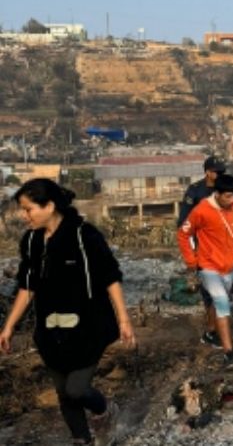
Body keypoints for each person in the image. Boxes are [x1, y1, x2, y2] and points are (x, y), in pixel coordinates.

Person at [0, 178, 136, 445]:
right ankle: (81, 440)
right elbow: (28, 287)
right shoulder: (31, 242)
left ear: (49, 206)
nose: (23, 215)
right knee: (63, 392)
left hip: (89, 327)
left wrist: (123, 319)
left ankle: (105, 410)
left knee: (77, 389)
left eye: (28, 209)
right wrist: (8, 327)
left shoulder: (84, 236)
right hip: (51, 330)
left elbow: (110, 276)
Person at [178, 174, 233, 371]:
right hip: (208, 266)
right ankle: (229, 354)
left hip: (229, 266)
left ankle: (209, 332)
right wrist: (191, 261)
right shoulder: (201, 210)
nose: (231, 200)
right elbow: (183, 235)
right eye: (227, 196)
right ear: (216, 194)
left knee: (218, 302)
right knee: (222, 303)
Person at [177, 156, 226, 226]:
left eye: (222, 172)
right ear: (208, 172)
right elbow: (184, 218)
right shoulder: (194, 190)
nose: (221, 175)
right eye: (218, 172)